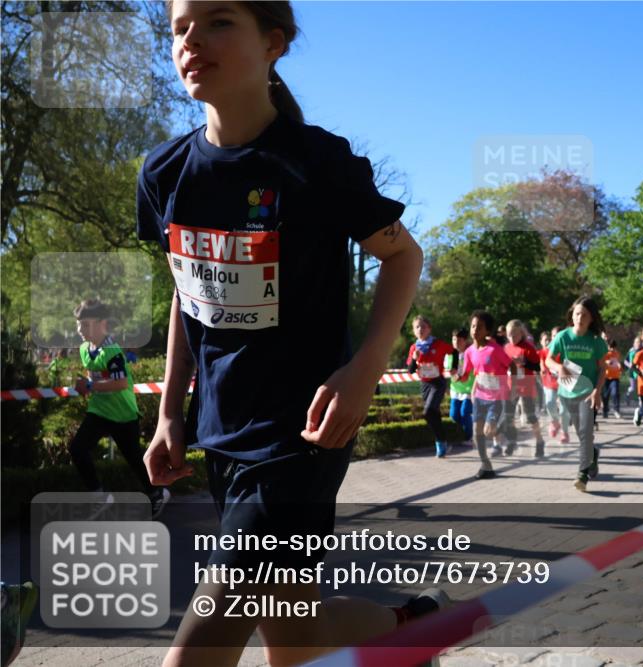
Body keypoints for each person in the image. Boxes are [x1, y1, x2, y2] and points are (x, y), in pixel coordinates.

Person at [136, 3, 437, 665]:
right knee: (294, 636)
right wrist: (168, 413)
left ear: (273, 44)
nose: (193, 40)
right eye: (180, 27)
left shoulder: (318, 164)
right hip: (223, 433)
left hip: (301, 437)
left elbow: (403, 256)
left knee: (194, 655)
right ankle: (408, 623)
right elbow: (191, 302)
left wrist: (363, 370)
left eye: (218, 22)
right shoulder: (163, 176)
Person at [68, 299, 170, 515]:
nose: (80, 330)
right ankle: (99, 496)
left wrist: (89, 385)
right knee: (77, 448)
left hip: (123, 414)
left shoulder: (113, 351)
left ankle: (158, 492)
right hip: (99, 411)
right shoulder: (85, 349)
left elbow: (120, 382)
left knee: (134, 458)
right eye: (78, 324)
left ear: (102, 323)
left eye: (85, 324)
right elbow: (93, 375)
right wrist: (87, 386)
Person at [546, 297, 607, 492]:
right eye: (577, 313)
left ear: (591, 319)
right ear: (572, 315)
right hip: (567, 391)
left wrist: (597, 391)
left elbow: (602, 370)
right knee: (583, 435)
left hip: (588, 393)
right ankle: (593, 454)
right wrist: (559, 367)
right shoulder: (563, 337)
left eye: (585, 315)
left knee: (585, 433)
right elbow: (548, 360)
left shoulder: (596, 341)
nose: (580, 317)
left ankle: (582, 474)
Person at [457, 310, 512, 478]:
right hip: (480, 397)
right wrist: (458, 375)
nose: (475, 330)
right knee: (476, 433)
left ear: (487, 331)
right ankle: (486, 465)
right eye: (473, 326)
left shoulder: (494, 349)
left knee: (488, 431)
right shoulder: (469, 352)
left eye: (480, 327)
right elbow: (466, 373)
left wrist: (513, 385)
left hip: (497, 398)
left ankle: (499, 431)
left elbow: (512, 366)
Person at [406, 315, 457, 458]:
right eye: (417, 327)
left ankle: (440, 443)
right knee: (433, 414)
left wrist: (454, 367)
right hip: (425, 384)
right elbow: (410, 371)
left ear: (429, 329)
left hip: (437, 383)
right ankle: (442, 443)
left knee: (428, 411)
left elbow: (454, 351)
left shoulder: (438, 344)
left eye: (423, 326)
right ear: (414, 331)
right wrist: (415, 359)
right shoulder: (414, 348)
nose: (420, 329)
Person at [503, 320, 546, 458]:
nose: (512, 338)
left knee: (530, 416)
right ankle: (512, 441)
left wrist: (524, 362)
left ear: (521, 333)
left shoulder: (528, 347)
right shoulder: (507, 348)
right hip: (511, 385)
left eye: (515, 335)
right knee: (508, 416)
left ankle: (540, 441)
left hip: (526, 385)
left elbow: (537, 367)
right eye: (509, 335)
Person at [446, 328, 474, 445]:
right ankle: (459, 434)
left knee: (464, 412)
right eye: (453, 339)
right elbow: (449, 372)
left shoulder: (471, 353)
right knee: (453, 415)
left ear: (465, 340)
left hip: (469, 389)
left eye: (459, 340)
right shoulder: (450, 355)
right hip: (455, 390)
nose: (456, 342)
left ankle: (469, 437)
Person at [537, 330, 561, 445]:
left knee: (564, 406)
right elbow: (541, 362)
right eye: (545, 339)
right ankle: (554, 422)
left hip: (562, 382)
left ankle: (564, 426)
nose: (547, 341)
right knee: (550, 402)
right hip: (548, 382)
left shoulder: (560, 350)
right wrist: (541, 368)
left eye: (549, 339)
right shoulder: (543, 352)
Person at [601, 340, 623, 419]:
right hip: (606, 377)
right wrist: (607, 362)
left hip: (615, 377)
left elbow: (618, 363)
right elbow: (602, 362)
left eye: (613, 347)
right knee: (605, 395)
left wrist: (620, 367)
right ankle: (605, 410)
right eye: (610, 347)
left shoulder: (617, 354)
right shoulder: (605, 354)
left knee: (615, 393)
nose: (612, 349)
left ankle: (616, 410)